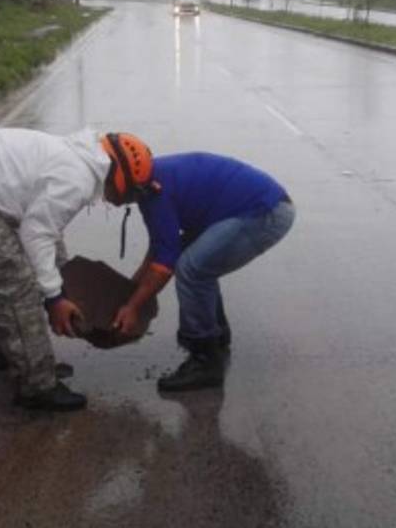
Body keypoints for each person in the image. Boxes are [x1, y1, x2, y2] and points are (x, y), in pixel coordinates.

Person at [0, 121, 153, 412]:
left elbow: (46, 236)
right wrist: (55, 299)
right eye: (131, 193)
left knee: (30, 266)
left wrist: (62, 285)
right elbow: (36, 234)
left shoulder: (79, 157)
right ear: (120, 177)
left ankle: (15, 354)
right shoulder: (77, 179)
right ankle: (37, 385)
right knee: (13, 280)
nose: (125, 201)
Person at [108, 152, 295, 392]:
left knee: (192, 269)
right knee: (198, 264)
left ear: (123, 179)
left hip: (264, 212)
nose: (104, 196)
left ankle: (205, 361)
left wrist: (133, 306)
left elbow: (164, 265)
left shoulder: (156, 193)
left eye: (107, 186)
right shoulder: (150, 182)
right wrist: (130, 293)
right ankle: (217, 336)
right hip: (251, 207)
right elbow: (161, 246)